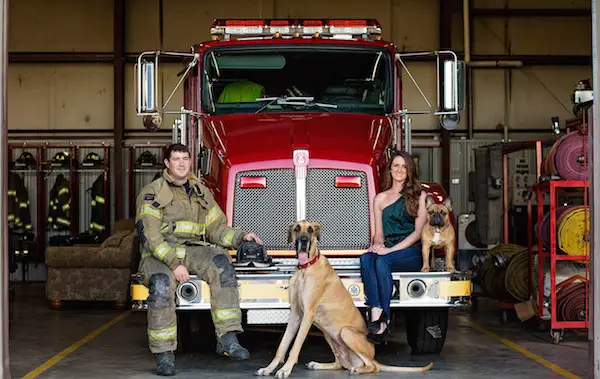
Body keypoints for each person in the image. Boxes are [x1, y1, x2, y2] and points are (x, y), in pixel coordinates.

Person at [135, 143, 263, 376]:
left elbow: (216, 229)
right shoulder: (152, 192)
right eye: (176, 159)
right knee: (161, 283)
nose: (182, 163)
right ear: (167, 163)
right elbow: (151, 237)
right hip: (160, 254)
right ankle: (164, 354)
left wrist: (240, 237)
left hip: (194, 250)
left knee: (222, 265)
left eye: (186, 158)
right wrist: (174, 264)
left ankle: (227, 339)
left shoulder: (200, 191)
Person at [359, 150, 428, 345]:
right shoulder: (380, 198)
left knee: (382, 261)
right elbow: (379, 232)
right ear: (390, 169)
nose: (399, 170)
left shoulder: (419, 195)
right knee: (366, 258)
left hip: (411, 251)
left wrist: (389, 251)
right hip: (388, 249)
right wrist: (378, 244)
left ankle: (385, 319)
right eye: (396, 165)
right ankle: (375, 312)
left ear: (409, 170)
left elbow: (417, 233)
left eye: (404, 166)